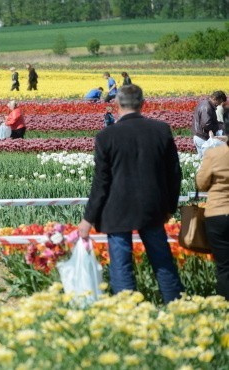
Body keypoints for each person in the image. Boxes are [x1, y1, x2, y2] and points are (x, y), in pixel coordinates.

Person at [78, 84, 184, 304]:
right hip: (152, 207)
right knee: (162, 261)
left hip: (117, 210)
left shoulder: (106, 136)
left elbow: (101, 182)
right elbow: (174, 174)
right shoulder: (160, 130)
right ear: (143, 103)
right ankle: (176, 307)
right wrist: (169, 208)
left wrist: (88, 218)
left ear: (116, 104)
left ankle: (127, 313)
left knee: (121, 265)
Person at [195, 136, 229, 300]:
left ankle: (224, 308)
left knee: (224, 266)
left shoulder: (215, 154)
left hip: (218, 213)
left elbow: (201, 183)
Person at [192, 91, 227, 157]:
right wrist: (218, 127)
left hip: (200, 135)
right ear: (215, 98)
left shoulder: (205, 104)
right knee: (207, 161)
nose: (219, 105)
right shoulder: (207, 107)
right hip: (202, 137)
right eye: (219, 102)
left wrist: (220, 124)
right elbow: (206, 124)